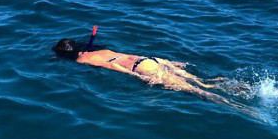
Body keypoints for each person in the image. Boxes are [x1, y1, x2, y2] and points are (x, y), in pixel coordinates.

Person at [52, 38, 248, 106]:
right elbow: (125, 56)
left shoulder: (82, 60)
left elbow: (114, 67)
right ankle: (241, 87)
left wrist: (138, 76)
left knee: (197, 91)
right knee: (204, 82)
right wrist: (166, 62)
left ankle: (237, 107)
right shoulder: (101, 51)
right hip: (149, 60)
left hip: (142, 68)